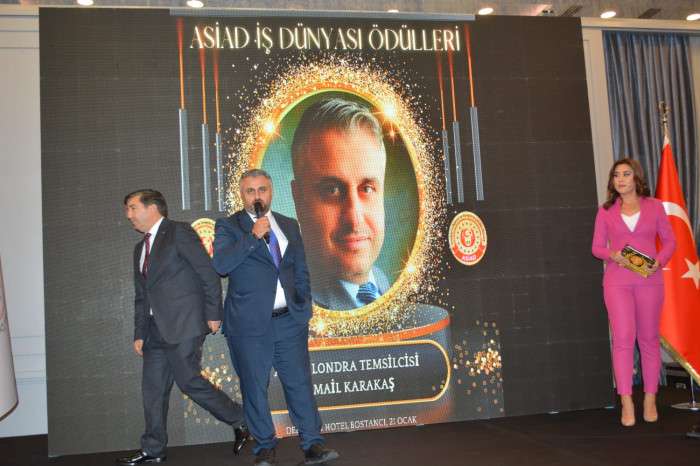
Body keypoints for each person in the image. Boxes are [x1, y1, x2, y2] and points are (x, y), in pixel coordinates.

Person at [213, 170, 339, 466]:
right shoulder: (229, 226)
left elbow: (300, 268)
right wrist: (252, 236)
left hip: (289, 321)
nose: (257, 196)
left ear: (271, 191)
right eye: (250, 191)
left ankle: (312, 444)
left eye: (262, 189)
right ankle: (264, 448)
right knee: (255, 387)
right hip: (249, 326)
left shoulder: (288, 224)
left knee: (299, 384)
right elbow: (221, 264)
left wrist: (303, 306)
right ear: (241, 195)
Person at [118, 189, 249, 465]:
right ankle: (153, 450)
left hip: (184, 324)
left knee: (189, 381)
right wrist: (139, 333)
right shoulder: (139, 249)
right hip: (153, 331)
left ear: (152, 208)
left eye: (132, 207)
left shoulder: (178, 232)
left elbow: (207, 273)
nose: (128, 214)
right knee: (152, 391)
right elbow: (142, 296)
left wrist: (213, 313)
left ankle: (241, 418)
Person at [591, 159, 676, 427]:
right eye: (616, 175)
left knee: (648, 339)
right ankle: (626, 400)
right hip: (617, 282)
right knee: (623, 339)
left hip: (649, 280)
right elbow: (596, 247)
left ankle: (650, 398)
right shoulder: (605, 211)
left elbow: (670, 241)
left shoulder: (655, 206)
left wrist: (658, 261)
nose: (620, 179)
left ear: (636, 178)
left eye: (626, 174)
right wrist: (612, 254)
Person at [291, 97, 390, 310]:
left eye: (367, 188)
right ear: (298, 200)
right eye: (332, 190)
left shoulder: (382, 282)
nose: (354, 219)